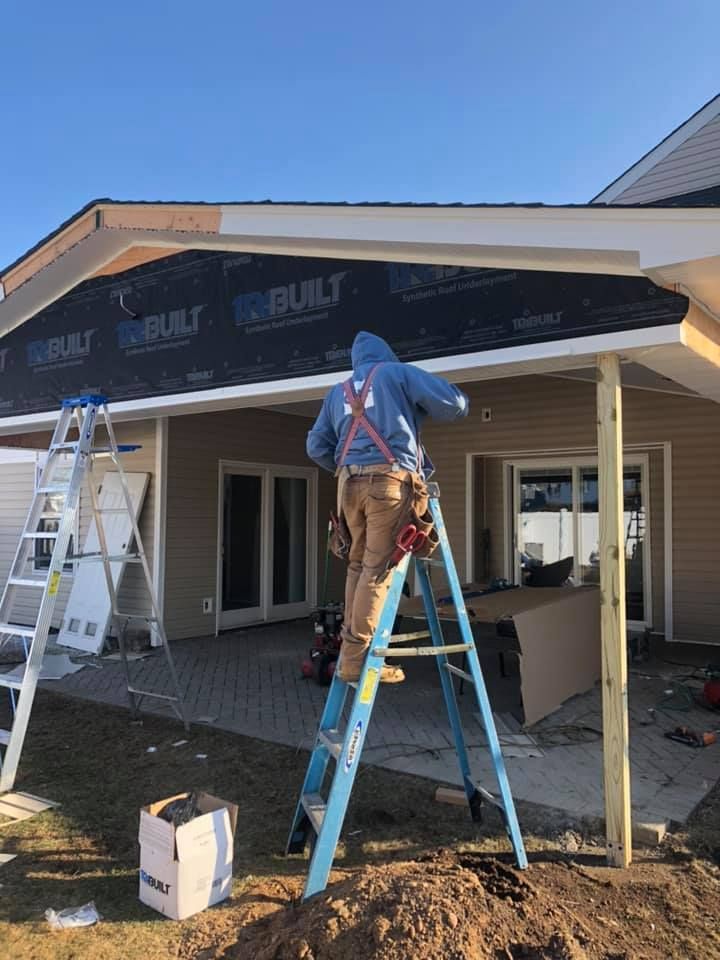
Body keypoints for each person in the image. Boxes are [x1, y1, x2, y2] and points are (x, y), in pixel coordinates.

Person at [306, 331, 469, 683]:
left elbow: (316, 446)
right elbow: (454, 404)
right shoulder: (396, 374)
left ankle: (350, 654)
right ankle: (354, 663)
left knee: (356, 568)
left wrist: (351, 464)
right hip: (390, 484)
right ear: (386, 354)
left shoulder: (338, 391)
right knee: (377, 572)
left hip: (347, 485)